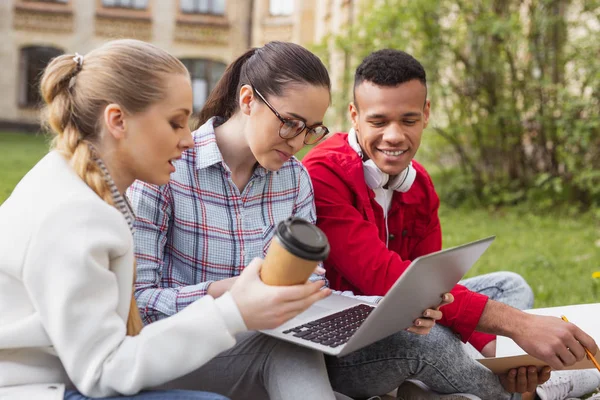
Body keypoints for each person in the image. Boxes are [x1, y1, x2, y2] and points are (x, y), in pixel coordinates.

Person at [0, 39, 331, 400]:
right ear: (117, 121)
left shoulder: (82, 190)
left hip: (72, 375)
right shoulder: (75, 214)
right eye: (175, 124)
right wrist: (230, 308)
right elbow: (105, 368)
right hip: (42, 388)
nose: (190, 140)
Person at [302, 49, 600, 399]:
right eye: (379, 121)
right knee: (430, 343)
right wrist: (519, 325)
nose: (394, 136)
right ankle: (534, 393)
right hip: (343, 352)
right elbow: (383, 277)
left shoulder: (420, 184)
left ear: (426, 114)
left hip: (407, 319)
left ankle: (449, 387)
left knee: (508, 286)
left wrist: (499, 352)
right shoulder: (324, 174)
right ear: (354, 116)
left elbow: (435, 285)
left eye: (409, 120)